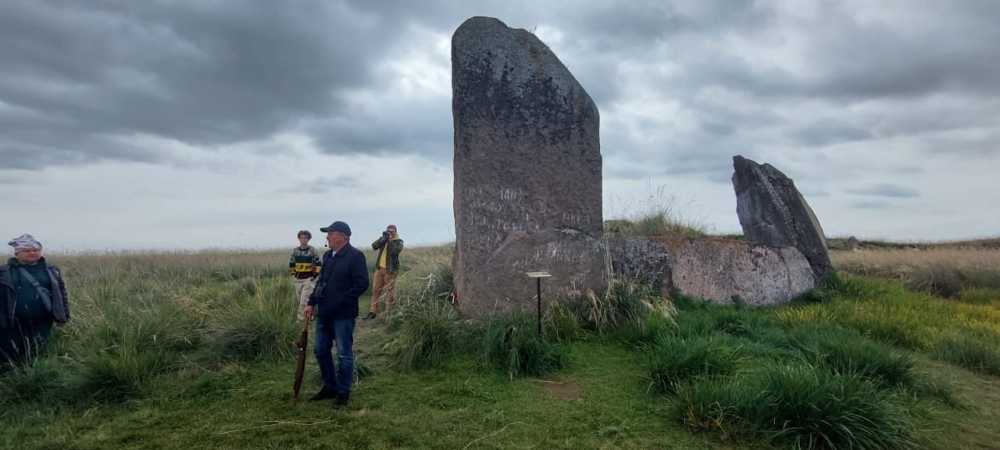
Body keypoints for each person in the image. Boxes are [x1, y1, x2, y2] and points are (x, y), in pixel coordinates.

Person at [304, 221, 369, 408]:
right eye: (328, 234)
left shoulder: (356, 256)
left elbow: (362, 284)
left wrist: (340, 300)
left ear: (343, 236)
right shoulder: (327, 256)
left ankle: (343, 392)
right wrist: (311, 303)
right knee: (320, 350)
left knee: (343, 355)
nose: (327, 237)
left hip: (343, 315)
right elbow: (321, 282)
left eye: (331, 233)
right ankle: (330, 386)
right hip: (324, 313)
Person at [0, 234, 70, 368]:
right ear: (17, 253)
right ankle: (10, 379)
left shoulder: (51, 270)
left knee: (38, 352)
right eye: (27, 250)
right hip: (12, 323)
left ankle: (35, 377)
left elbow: (61, 294)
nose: (32, 252)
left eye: (36, 249)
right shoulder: (4, 272)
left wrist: (63, 315)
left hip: (43, 322)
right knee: (9, 355)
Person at [364, 224, 404, 320]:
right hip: (379, 269)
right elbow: (374, 246)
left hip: (390, 270)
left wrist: (390, 240)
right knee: (375, 291)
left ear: (395, 232)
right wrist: (383, 238)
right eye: (388, 231)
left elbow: (395, 252)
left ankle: (388, 313)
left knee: (389, 292)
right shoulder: (384, 239)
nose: (389, 233)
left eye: (391, 231)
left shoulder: (399, 242)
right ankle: (373, 312)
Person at [288, 230, 321, 321]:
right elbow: (291, 264)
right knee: (300, 300)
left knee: (304, 300)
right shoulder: (295, 251)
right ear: (299, 239)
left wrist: (315, 276)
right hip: (297, 279)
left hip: (308, 279)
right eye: (301, 237)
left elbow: (318, 264)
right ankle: (312, 314)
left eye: (305, 238)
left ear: (308, 239)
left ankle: (301, 319)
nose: (303, 239)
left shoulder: (312, 250)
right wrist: (293, 275)